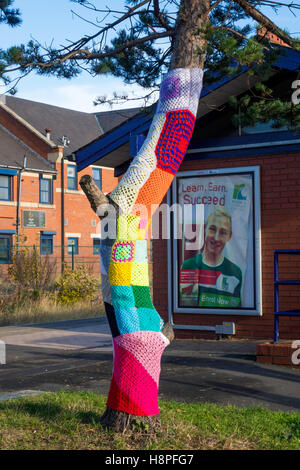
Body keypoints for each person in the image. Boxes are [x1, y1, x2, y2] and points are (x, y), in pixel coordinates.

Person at [181, 206, 242, 308]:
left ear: (229, 237)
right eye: (212, 229)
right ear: (205, 230)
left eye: (223, 232)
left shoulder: (235, 272)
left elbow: (236, 310)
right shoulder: (188, 265)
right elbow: (185, 304)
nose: (216, 237)